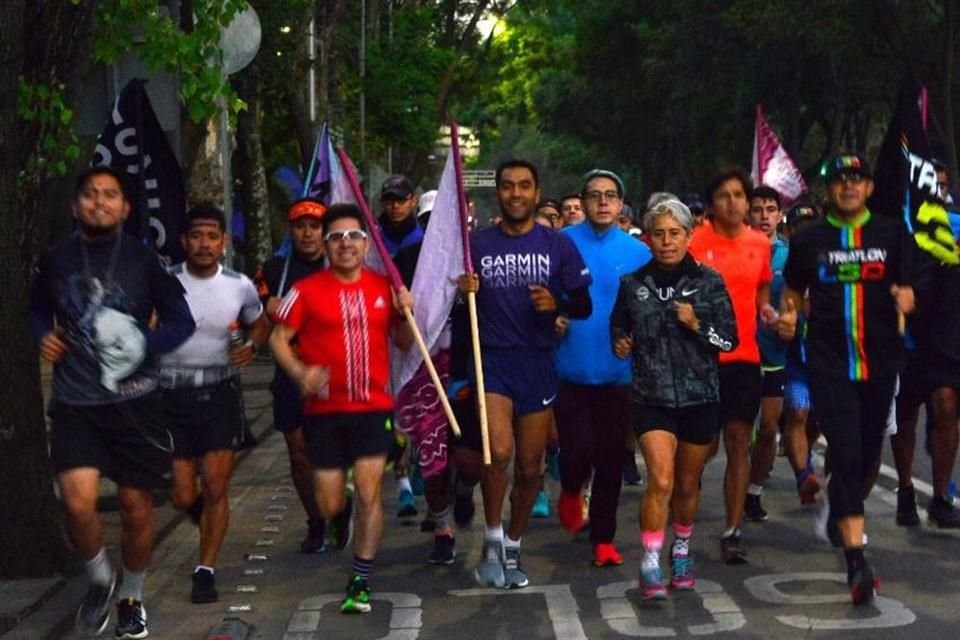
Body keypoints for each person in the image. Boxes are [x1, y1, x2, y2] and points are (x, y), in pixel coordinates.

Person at [29, 166, 195, 638]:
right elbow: (38, 305)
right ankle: (100, 578)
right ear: (75, 205)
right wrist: (43, 334)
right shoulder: (57, 259)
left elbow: (182, 320)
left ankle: (132, 598)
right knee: (78, 506)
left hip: (135, 405)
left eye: (110, 195)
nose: (99, 202)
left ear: (125, 207)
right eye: (89, 194)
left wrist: (148, 343)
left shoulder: (145, 261)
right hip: (76, 404)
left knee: (135, 507)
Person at [779, 153, 916, 605]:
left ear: (870, 188)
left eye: (856, 178)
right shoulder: (808, 239)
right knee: (847, 449)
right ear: (828, 190)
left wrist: (907, 296)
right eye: (839, 180)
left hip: (881, 362)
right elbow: (794, 291)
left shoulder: (892, 234)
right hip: (829, 362)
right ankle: (857, 561)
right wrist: (788, 316)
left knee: (867, 454)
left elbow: (912, 284)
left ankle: (843, 508)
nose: (848, 185)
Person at [270, 203, 414, 614]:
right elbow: (279, 339)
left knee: (371, 491)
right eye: (337, 237)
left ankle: (360, 578)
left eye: (353, 236)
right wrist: (300, 373)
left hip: (373, 407)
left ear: (367, 244)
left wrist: (405, 312)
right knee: (330, 501)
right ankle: (338, 513)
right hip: (324, 411)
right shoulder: (308, 290)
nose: (346, 243)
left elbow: (404, 343)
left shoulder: (384, 286)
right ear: (327, 245)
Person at [459, 159, 592, 589]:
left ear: (536, 192)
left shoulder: (557, 245)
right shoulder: (475, 244)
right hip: (493, 360)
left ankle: (514, 545)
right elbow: (452, 306)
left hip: (537, 363)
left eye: (524, 186)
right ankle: (493, 537)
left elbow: (583, 305)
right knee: (498, 452)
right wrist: (464, 294)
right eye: (508, 186)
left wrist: (557, 304)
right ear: (498, 193)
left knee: (531, 467)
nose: (516, 193)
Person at [611, 198, 738, 599]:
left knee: (686, 484)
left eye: (675, 234)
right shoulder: (633, 283)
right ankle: (650, 562)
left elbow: (729, 339)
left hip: (700, 397)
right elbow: (618, 325)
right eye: (659, 234)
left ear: (687, 236)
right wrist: (620, 341)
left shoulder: (710, 281)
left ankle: (680, 548)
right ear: (648, 237)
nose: (667, 242)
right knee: (660, 479)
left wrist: (697, 324)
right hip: (652, 397)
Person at [160, 204, 268, 604]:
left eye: (212, 236)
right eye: (196, 236)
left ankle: (205, 569)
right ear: (184, 241)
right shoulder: (164, 281)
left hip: (220, 394)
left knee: (217, 485)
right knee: (183, 495)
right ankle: (207, 520)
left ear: (224, 243)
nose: (204, 244)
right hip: (170, 395)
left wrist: (253, 345)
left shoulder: (239, 285)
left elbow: (258, 321)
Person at [554, 169, 651, 567]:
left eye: (611, 195)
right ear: (583, 201)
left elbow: (649, 308)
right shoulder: (561, 244)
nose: (603, 202)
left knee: (611, 458)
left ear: (621, 203)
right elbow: (542, 296)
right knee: (576, 452)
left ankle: (604, 538)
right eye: (594, 195)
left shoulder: (638, 252)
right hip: (569, 369)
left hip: (619, 372)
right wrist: (554, 316)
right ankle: (571, 489)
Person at [688, 167, 772, 565]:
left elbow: (761, 298)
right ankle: (683, 509)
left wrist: (776, 317)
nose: (734, 202)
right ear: (711, 204)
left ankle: (733, 530)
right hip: (701, 360)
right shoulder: (693, 243)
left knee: (740, 443)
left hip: (744, 361)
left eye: (740, 195)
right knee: (702, 447)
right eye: (724, 195)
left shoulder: (760, 244)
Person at [255, 198, 338, 553]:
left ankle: (338, 506)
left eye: (314, 226)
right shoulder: (275, 270)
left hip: (333, 373)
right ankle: (316, 520)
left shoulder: (340, 264)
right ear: (291, 231)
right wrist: (266, 307)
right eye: (300, 226)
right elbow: (252, 309)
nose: (307, 233)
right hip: (290, 375)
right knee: (299, 453)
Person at [744, 185, 790, 521]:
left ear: (779, 214)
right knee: (731, 433)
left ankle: (753, 491)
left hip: (774, 354)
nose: (764, 215)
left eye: (770, 209)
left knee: (770, 428)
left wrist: (789, 319)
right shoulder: (738, 249)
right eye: (757, 209)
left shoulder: (791, 256)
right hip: (735, 354)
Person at [379, 175, 423, 257]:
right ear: (382, 202)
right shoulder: (374, 238)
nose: (395, 206)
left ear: (414, 201)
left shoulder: (425, 238)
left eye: (401, 200)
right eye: (389, 201)